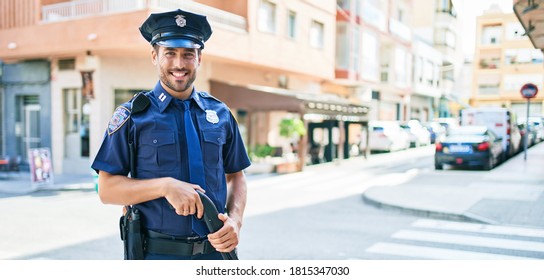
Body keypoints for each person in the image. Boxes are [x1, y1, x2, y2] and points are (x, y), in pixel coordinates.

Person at [91, 9, 251, 260]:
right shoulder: (133, 116)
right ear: (154, 56)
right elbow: (107, 189)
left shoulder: (220, 113)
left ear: (199, 58)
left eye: (188, 54)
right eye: (170, 53)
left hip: (216, 254)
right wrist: (165, 187)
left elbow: (236, 177)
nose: (179, 64)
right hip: (158, 255)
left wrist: (235, 219)